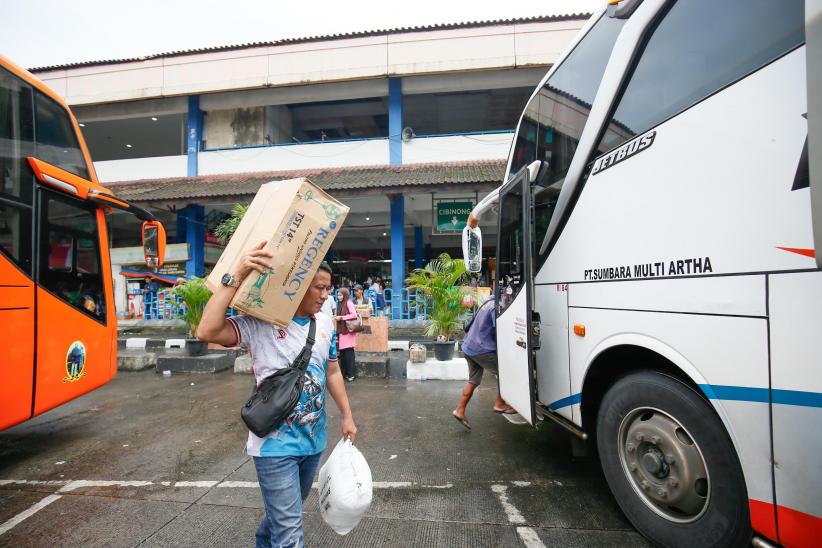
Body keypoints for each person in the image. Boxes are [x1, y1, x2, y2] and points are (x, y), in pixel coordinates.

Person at [196, 241, 356, 548]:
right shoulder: (261, 323)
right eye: (319, 288)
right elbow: (207, 332)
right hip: (274, 445)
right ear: (297, 286)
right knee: (290, 532)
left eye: (328, 288)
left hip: (313, 442)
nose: (326, 295)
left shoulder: (324, 321)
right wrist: (237, 274)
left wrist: (347, 416)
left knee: (282, 516)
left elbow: (332, 371)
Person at [452, 297, 515, 430]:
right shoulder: (496, 307)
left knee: (473, 381)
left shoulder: (487, 302)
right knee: (506, 373)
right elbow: (499, 330)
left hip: (469, 346)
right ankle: (500, 404)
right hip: (481, 349)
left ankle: (459, 410)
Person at [335, 287, 359, 382]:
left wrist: (342, 317)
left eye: (341, 295)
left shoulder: (348, 302)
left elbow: (354, 315)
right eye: (338, 295)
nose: (339, 297)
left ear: (345, 295)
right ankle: (345, 374)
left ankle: (351, 374)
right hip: (343, 331)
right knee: (343, 354)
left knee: (349, 353)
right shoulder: (341, 304)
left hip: (348, 331)